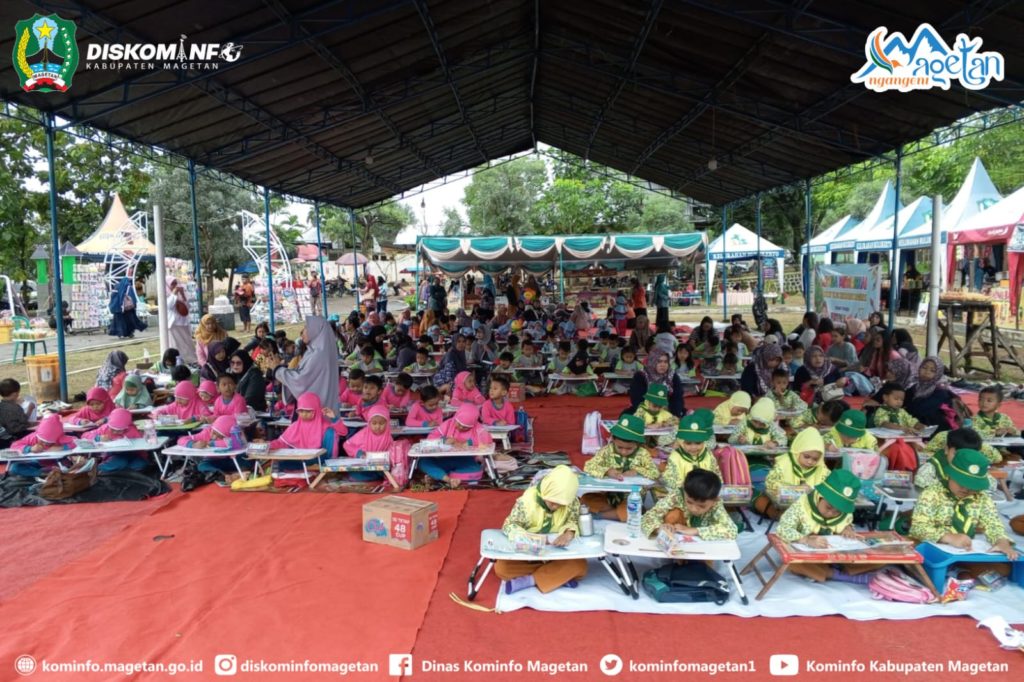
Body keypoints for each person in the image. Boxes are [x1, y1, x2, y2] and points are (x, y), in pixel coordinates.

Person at [910, 449, 1018, 567]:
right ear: (950, 475)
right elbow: (918, 528)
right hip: (933, 550)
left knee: (1005, 568)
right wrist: (947, 537)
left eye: (972, 486)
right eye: (961, 483)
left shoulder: (981, 497)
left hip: (965, 552)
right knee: (935, 567)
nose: (966, 489)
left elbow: (993, 524)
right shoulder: (932, 493)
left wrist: (1002, 542)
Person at [496, 465, 586, 594]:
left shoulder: (571, 502)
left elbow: (573, 521)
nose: (555, 507)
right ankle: (556, 576)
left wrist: (568, 534)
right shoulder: (526, 502)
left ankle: (530, 580)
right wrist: (532, 538)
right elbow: (509, 525)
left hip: (556, 553)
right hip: (529, 551)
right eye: (552, 502)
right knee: (502, 568)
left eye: (561, 504)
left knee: (580, 566)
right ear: (545, 490)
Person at [775, 470, 875, 583]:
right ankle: (838, 575)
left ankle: (839, 568)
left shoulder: (844, 512)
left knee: (875, 556)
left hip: (835, 553)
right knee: (793, 563)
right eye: (828, 507)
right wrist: (806, 540)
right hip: (809, 554)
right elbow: (783, 528)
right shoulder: (801, 506)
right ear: (820, 496)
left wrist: (847, 528)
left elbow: (846, 521)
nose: (831, 513)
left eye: (838, 511)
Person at [581, 414, 659, 521]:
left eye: (629, 449)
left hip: (632, 498)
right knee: (586, 498)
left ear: (638, 444)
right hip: (608, 496)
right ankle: (618, 513)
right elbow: (588, 466)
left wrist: (637, 471)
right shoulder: (606, 450)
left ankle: (602, 515)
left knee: (632, 507)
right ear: (613, 439)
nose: (624, 452)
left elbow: (655, 472)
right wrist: (607, 471)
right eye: (619, 447)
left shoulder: (643, 454)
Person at [270, 316, 341, 414]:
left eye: (306, 328)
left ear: (316, 331)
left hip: (314, 411)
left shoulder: (318, 355)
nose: (302, 331)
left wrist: (278, 370)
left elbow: (301, 381)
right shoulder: (314, 352)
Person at [754, 427, 828, 519]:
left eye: (815, 459)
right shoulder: (785, 462)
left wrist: (812, 490)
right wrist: (795, 489)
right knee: (766, 499)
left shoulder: (821, 469)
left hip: (810, 505)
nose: (810, 461)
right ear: (798, 450)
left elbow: (828, 488)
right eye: (806, 457)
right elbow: (770, 482)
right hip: (785, 499)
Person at [641, 469, 737, 540]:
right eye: (689, 502)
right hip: (674, 543)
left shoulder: (716, 504)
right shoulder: (677, 495)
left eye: (701, 506)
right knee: (674, 513)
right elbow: (648, 516)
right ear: (684, 490)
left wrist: (695, 530)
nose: (694, 509)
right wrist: (659, 528)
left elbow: (731, 530)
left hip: (702, 550)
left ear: (715, 500)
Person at [421, 403, 493, 487]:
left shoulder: (478, 429)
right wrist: (444, 440)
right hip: (444, 459)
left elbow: (487, 441)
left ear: (473, 425)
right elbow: (430, 438)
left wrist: (469, 442)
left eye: (465, 427)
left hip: (465, 461)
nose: (460, 428)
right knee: (423, 461)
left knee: (475, 471)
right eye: (458, 424)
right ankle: (447, 479)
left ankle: (439, 477)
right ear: (456, 417)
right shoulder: (448, 423)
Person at [662, 409, 720, 491]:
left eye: (698, 443)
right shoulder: (675, 457)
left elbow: (716, 475)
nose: (694, 447)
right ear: (681, 442)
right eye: (688, 443)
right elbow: (668, 479)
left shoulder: (709, 455)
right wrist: (686, 486)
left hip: (706, 493)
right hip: (682, 493)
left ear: (704, 442)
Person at [274, 393, 345, 458]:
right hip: (300, 459)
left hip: (320, 460)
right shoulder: (295, 426)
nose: (304, 414)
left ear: (316, 410)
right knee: (282, 463)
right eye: (301, 411)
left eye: (308, 411)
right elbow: (282, 443)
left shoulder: (325, 427)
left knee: (330, 433)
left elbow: (343, 432)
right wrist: (270, 445)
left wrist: (334, 418)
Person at [7, 414, 74, 477]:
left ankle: (48, 474)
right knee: (15, 467)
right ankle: (42, 474)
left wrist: (62, 447)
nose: (44, 444)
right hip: (38, 463)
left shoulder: (60, 438)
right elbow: (14, 446)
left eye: (48, 443)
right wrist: (29, 448)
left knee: (67, 467)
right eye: (42, 441)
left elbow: (76, 442)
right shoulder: (33, 437)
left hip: (57, 464)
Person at [82, 408, 146, 473]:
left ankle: (115, 471)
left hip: (132, 455)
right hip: (112, 456)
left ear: (126, 427)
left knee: (140, 464)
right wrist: (98, 438)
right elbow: (84, 435)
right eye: (112, 429)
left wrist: (143, 456)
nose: (115, 432)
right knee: (120, 462)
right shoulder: (105, 428)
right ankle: (98, 468)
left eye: (119, 430)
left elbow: (142, 447)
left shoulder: (132, 431)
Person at [628, 348, 686, 418]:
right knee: (627, 417)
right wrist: (648, 414)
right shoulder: (641, 375)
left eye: (665, 362)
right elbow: (637, 398)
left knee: (686, 417)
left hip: (668, 409)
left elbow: (678, 398)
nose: (663, 365)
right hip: (646, 409)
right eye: (659, 361)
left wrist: (674, 414)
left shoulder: (672, 376)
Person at [904, 356, 955, 431]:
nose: (927, 372)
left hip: (932, 429)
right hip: (912, 424)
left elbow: (921, 410)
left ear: (938, 373)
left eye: (932, 370)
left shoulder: (941, 392)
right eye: (924, 368)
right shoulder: (915, 387)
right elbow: (903, 403)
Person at [166, 278, 197, 364]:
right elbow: (169, 305)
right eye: (172, 284)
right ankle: (177, 361)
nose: (175, 285)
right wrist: (174, 294)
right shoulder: (166, 295)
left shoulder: (180, 293)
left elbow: (188, 306)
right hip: (174, 324)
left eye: (176, 283)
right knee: (176, 344)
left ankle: (191, 360)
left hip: (183, 323)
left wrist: (182, 294)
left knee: (187, 343)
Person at [0, 378, 30, 448]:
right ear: (15, 394)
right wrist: (30, 409)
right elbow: (25, 420)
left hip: (4, 436)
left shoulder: (1, 405)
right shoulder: (15, 407)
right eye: (18, 393)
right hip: (16, 436)